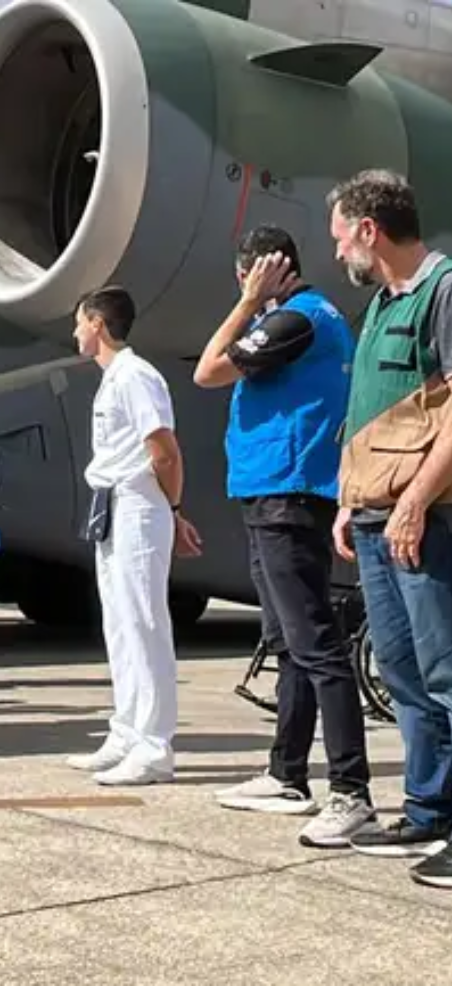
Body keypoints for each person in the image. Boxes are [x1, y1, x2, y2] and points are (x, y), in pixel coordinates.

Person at [194, 225, 375, 847]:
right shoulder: (297, 320)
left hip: (289, 493)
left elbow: (210, 371)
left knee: (317, 645)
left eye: (245, 275)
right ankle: (286, 774)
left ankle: (351, 792)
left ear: (265, 269)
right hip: (272, 491)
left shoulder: (295, 319)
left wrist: (248, 302)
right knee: (290, 642)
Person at [326, 169, 452, 886]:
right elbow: (374, 410)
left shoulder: (444, 291)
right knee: (403, 671)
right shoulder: (379, 305)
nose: (339, 248)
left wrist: (413, 502)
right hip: (374, 517)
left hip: (426, 518)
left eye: (342, 233)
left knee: (446, 669)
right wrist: (351, 499)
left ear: (369, 230)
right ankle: (429, 806)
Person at [67, 286, 203, 786]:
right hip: (112, 506)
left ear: (98, 323)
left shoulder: (137, 376)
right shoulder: (112, 380)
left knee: (145, 623)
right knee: (120, 623)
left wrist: (171, 509)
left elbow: (165, 451)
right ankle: (126, 731)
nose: (76, 333)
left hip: (138, 504)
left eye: (79, 322)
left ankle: (154, 746)